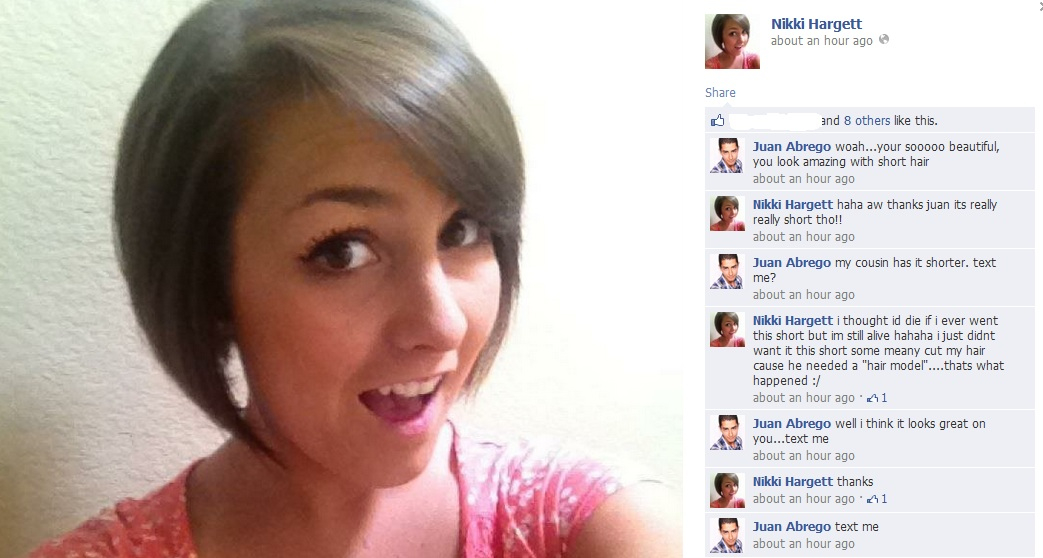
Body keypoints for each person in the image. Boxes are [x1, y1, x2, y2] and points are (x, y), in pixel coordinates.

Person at [27, 1, 679, 556]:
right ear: (207, 281)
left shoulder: (586, 525)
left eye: (461, 230)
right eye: (343, 252)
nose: (443, 325)